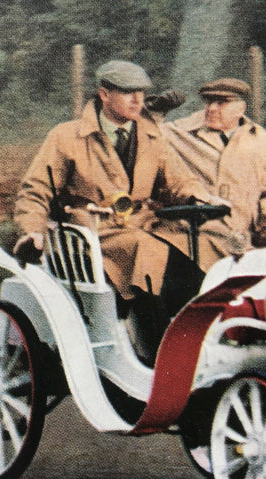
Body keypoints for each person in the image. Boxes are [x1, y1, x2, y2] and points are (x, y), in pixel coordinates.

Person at [13, 61, 218, 363]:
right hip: (93, 235)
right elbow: (35, 191)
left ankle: (200, 348)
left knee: (204, 249)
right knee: (151, 256)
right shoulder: (67, 136)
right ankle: (160, 359)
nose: (138, 100)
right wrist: (33, 231)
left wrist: (198, 196)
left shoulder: (151, 136)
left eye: (140, 92)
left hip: (142, 226)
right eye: (127, 93)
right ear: (104, 95)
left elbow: (177, 181)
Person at [158, 78, 266, 271]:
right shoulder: (181, 132)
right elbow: (147, 135)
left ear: (241, 108)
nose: (212, 108)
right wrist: (156, 111)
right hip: (198, 230)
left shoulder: (262, 142)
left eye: (221, 103)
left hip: (248, 232)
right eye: (208, 101)